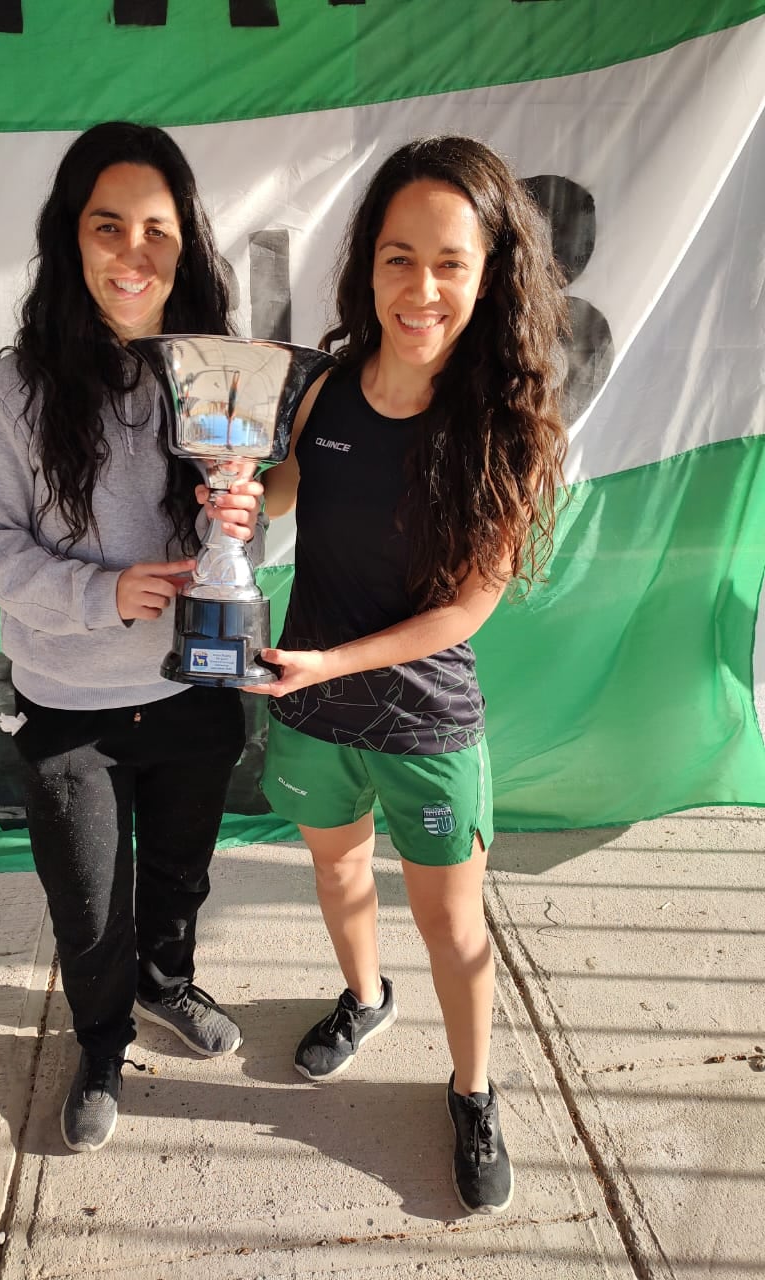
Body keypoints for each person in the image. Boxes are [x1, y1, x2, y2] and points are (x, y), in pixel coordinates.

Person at [247, 136, 568, 1215]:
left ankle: (474, 1089)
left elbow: (466, 606)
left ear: (490, 275)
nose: (420, 289)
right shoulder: (324, 381)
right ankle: (363, 995)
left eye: (449, 263)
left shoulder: (504, 426)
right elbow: (289, 492)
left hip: (422, 719)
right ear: (366, 265)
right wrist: (243, 495)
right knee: (339, 882)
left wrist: (335, 660)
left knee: (453, 927)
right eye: (397, 258)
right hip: (309, 703)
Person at [0, 122, 264, 1154]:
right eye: (107, 225)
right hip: (67, 703)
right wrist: (103, 592)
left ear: (189, 247)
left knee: (180, 871)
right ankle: (100, 1040)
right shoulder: (12, 390)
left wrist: (250, 514)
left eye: (158, 231)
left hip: (195, 687)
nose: (134, 252)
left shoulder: (218, 373)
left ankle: (169, 980)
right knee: (88, 903)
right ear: (69, 239)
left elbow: (245, 524)